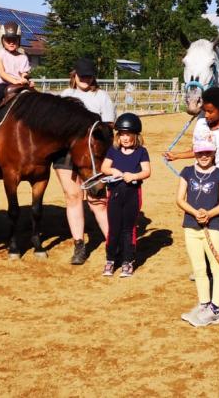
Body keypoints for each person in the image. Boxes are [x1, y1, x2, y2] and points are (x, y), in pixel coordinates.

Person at [60, 58, 116, 265]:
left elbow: (109, 125)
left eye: (89, 75)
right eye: (81, 74)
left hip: (94, 155)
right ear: (74, 75)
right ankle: (79, 245)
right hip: (66, 155)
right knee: (73, 197)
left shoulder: (101, 97)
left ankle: (113, 242)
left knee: (97, 199)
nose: (85, 78)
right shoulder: (65, 96)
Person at [176, 134, 219, 327]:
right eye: (200, 152)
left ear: (214, 152)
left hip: (212, 227)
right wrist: (195, 212)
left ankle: (216, 309)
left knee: (217, 268)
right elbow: (180, 198)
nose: (204, 155)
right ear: (195, 152)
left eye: (208, 152)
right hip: (191, 226)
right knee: (199, 268)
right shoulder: (187, 172)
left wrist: (209, 214)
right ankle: (204, 303)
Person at [99, 113, 151, 277]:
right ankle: (110, 260)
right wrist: (113, 170)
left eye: (128, 134)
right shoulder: (113, 151)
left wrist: (134, 176)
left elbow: (147, 171)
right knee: (113, 229)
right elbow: (104, 168)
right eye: (122, 134)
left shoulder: (141, 152)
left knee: (129, 229)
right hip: (114, 193)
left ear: (136, 135)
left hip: (132, 194)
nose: (125, 138)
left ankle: (127, 261)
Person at [164, 86, 219, 170]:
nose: (206, 115)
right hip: (199, 175)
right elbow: (196, 150)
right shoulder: (200, 124)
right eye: (204, 110)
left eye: (210, 112)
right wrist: (176, 156)